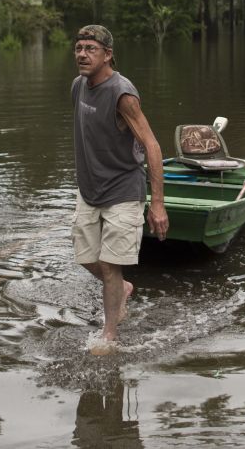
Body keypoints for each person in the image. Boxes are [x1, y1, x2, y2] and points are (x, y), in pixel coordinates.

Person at [70, 24, 168, 352]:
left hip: (124, 189)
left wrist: (157, 204)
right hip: (90, 190)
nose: (82, 54)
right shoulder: (78, 87)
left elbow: (151, 145)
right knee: (86, 257)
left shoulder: (122, 93)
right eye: (79, 47)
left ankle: (109, 333)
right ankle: (123, 288)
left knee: (111, 264)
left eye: (90, 49)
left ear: (107, 54)